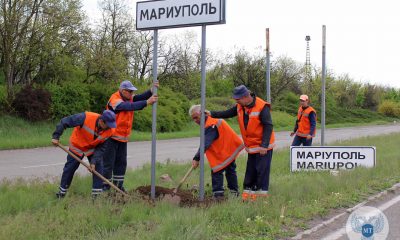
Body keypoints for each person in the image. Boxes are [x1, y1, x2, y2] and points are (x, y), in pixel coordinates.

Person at [209, 85, 275, 201]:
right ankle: (248, 197)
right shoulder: (240, 106)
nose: (236, 101)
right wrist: (211, 113)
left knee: (261, 172)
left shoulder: (262, 106)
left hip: (263, 147)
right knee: (251, 172)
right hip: (252, 147)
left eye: (237, 99)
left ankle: (260, 199)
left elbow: (268, 126)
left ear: (245, 97)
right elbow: (227, 113)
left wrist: (264, 145)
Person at [103, 80, 158, 192]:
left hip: (122, 139)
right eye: (130, 92)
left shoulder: (128, 97)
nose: (132, 94)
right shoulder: (115, 100)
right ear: (123, 91)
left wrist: (151, 90)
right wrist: (147, 102)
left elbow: (138, 98)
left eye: (133, 92)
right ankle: (105, 187)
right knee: (108, 164)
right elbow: (128, 106)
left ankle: (118, 187)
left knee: (121, 164)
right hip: (110, 138)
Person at [52, 110, 116, 198]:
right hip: (77, 146)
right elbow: (65, 122)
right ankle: (61, 193)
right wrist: (56, 136)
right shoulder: (86, 117)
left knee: (98, 169)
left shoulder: (110, 131)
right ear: (101, 121)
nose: (109, 128)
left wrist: (93, 162)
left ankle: (96, 197)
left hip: (92, 148)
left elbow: (101, 148)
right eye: (108, 125)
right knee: (69, 169)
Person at [189, 105, 244, 199]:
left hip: (226, 150)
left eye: (196, 117)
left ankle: (218, 196)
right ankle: (234, 193)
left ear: (203, 114)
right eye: (193, 119)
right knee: (230, 170)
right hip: (227, 149)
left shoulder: (211, 124)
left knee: (217, 170)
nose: (195, 121)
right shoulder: (210, 121)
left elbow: (205, 143)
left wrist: (196, 158)